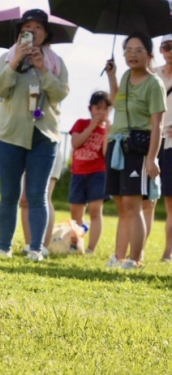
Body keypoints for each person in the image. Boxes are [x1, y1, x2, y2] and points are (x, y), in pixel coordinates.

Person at [0, 9, 69, 261]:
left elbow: (60, 94)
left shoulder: (55, 62)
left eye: (38, 28)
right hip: (10, 134)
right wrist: (15, 62)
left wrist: (43, 68)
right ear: (20, 32)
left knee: (37, 194)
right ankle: (4, 247)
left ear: (46, 35)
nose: (33, 32)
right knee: (9, 194)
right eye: (28, 28)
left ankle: (36, 248)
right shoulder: (7, 57)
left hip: (44, 135)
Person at [104, 32, 166, 270]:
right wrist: (112, 77)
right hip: (116, 143)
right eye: (128, 50)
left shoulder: (154, 83)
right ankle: (118, 257)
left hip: (137, 147)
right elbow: (116, 102)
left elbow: (157, 124)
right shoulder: (127, 76)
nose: (132, 55)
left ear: (149, 55)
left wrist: (152, 159)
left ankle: (134, 259)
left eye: (138, 50)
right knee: (120, 204)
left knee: (133, 203)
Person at [66, 91, 111, 254]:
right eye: (97, 108)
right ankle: (77, 245)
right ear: (90, 108)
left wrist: (108, 131)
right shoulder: (81, 123)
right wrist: (92, 125)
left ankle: (91, 248)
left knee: (95, 210)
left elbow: (106, 154)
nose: (101, 112)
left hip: (98, 173)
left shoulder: (108, 129)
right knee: (76, 211)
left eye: (105, 109)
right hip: (78, 173)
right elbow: (76, 143)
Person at [157, 34, 172, 262]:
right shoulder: (154, 74)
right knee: (150, 199)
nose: (171, 51)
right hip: (152, 140)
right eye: (168, 47)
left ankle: (168, 253)